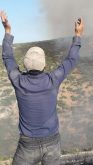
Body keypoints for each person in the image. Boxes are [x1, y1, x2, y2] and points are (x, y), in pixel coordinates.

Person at [0, 10, 84, 165]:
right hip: (52, 142)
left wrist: (7, 30)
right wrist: (77, 35)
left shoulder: (18, 80)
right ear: (44, 64)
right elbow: (71, 59)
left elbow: (7, 57)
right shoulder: (53, 79)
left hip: (27, 146)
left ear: (25, 64)